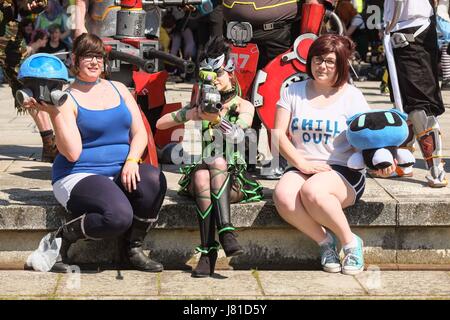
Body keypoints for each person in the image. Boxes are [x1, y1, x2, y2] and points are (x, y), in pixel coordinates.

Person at [22, 33, 167, 272]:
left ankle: (132, 248)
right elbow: (72, 153)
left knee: (154, 179)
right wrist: (55, 113)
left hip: (120, 171)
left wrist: (132, 160)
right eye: (87, 56)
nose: (94, 62)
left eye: (98, 56)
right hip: (78, 174)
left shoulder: (119, 88)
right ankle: (62, 238)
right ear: (75, 60)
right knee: (119, 216)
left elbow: (140, 133)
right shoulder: (67, 97)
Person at [272, 34, 395, 275]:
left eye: (330, 61)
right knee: (283, 196)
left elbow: (372, 135)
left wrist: (383, 160)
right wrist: (301, 163)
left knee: (313, 191)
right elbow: (277, 134)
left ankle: (350, 243)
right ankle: (325, 242)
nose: (322, 66)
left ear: (341, 64)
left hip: (342, 169)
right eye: (318, 59)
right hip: (302, 165)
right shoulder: (293, 91)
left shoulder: (352, 96)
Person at [156, 36, 263, 277]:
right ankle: (225, 232)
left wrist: (217, 120)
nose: (215, 79)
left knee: (212, 167)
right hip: (204, 169)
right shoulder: (200, 105)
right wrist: (193, 113)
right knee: (209, 166)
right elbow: (160, 124)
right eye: (210, 74)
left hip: (232, 178)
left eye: (220, 73)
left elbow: (238, 136)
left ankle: (208, 251)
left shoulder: (243, 105)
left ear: (231, 72)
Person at [383, 0, 447, 187]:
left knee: (420, 105)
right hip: (395, 29)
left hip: (414, 30)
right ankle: (405, 161)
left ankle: (436, 168)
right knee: (402, 102)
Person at [0, 0, 59, 162]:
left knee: (29, 86)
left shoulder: (34, 6)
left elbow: (27, 12)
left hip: (9, 38)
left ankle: (50, 145)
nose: (35, 4)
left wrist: (28, 8)